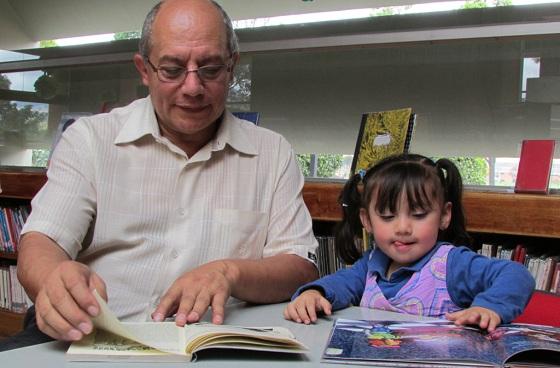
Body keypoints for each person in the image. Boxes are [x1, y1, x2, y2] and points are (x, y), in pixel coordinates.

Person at [3, 0, 318, 350]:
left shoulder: (272, 153)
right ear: (144, 69)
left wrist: (229, 272)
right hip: (88, 337)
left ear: (232, 68)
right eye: (172, 69)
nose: (193, 87)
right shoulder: (91, 139)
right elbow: (42, 241)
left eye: (211, 69)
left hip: (209, 346)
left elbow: (299, 268)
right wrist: (53, 279)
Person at [284, 153, 535, 332]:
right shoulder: (371, 263)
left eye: (418, 215)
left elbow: (516, 274)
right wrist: (314, 293)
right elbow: (339, 283)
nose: (403, 228)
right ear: (367, 221)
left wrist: (489, 308)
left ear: (444, 215)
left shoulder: (452, 264)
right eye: (387, 216)